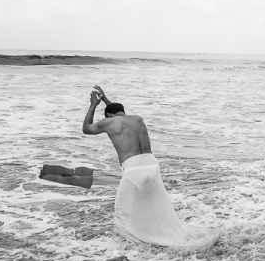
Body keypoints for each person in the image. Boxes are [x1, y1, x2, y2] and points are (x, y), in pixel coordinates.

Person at [82, 86, 219, 251]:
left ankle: (124, 251)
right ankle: (157, 238)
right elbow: (118, 114)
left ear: (109, 115)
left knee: (122, 216)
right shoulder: (137, 119)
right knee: (155, 207)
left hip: (133, 170)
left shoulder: (108, 122)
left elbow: (86, 129)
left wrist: (93, 105)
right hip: (152, 166)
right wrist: (106, 100)